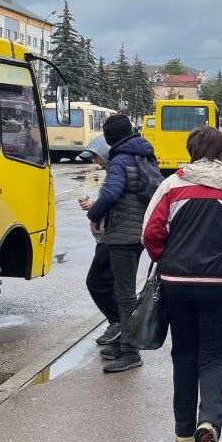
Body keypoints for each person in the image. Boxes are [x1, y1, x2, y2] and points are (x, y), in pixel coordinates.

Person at [143, 127, 222, 442]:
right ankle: (208, 421)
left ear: (190, 150)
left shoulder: (171, 185)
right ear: (221, 152)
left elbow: (150, 232)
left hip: (176, 285)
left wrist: (165, 259)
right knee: (214, 356)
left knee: (183, 354)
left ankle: (183, 431)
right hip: (220, 286)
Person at [84, 114, 160, 373]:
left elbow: (111, 193)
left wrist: (94, 215)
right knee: (122, 290)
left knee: (124, 293)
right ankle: (124, 342)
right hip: (139, 231)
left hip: (123, 235)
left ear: (110, 138)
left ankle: (130, 351)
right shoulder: (144, 154)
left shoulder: (120, 160)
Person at [80, 136, 125, 348]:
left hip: (115, 235)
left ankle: (119, 324)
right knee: (116, 284)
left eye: (95, 157)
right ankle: (122, 326)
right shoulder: (123, 166)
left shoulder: (117, 169)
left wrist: (94, 213)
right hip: (121, 234)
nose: (94, 161)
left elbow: (112, 197)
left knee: (97, 281)